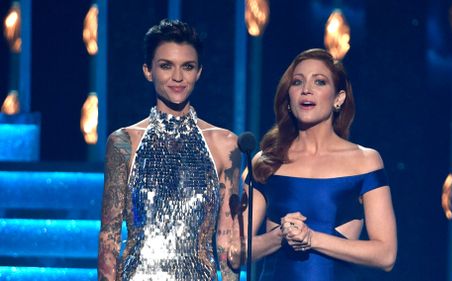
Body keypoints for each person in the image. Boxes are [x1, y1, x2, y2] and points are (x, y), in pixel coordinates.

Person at [97, 19, 241, 281]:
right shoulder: (123, 142)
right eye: (166, 66)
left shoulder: (225, 144)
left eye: (187, 67)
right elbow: (110, 236)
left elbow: (226, 239)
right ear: (148, 71)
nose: (177, 77)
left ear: (199, 72)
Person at [246, 48, 397, 280]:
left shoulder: (365, 161)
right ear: (289, 98)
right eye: (297, 82)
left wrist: (312, 238)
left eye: (319, 82)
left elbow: (386, 255)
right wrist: (279, 236)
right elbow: (235, 252)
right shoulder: (266, 161)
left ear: (339, 98)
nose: (306, 90)